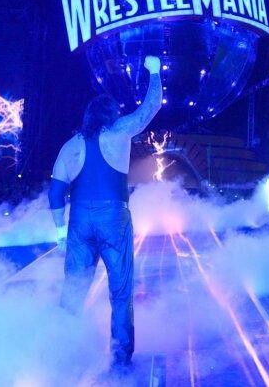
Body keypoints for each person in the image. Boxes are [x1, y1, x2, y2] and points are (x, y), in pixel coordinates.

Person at [48, 55, 162, 371]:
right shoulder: (119, 131)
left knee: (73, 288)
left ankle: (59, 350)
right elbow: (150, 108)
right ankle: (120, 358)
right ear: (111, 115)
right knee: (121, 291)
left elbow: (55, 192)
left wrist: (60, 231)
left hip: (79, 221)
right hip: (113, 217)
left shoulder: (70, 146)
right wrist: (154, 72)